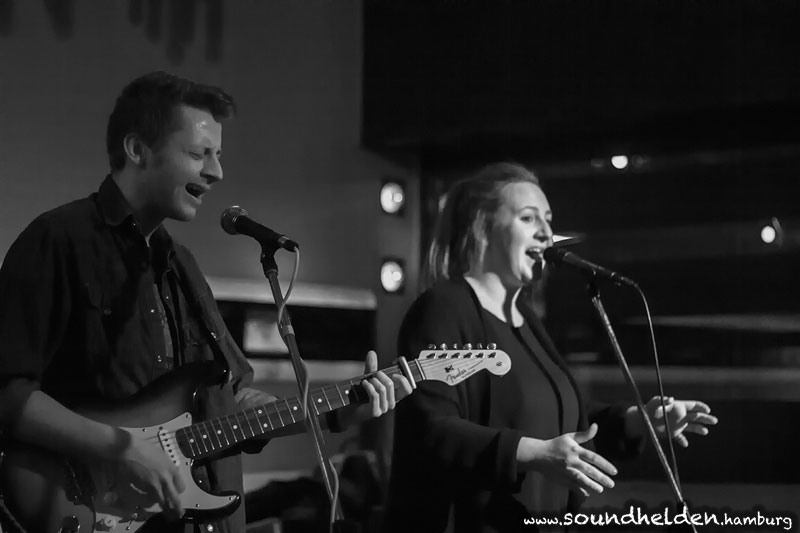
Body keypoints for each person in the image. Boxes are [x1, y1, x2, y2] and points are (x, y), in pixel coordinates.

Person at [0, 71, 412, 533]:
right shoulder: (57, 241)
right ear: (137, 149)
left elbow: (230, 401)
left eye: (218, 156)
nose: (216, 172)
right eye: (199, 154)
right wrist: (122, 448)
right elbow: (7, 391)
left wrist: (339, 409)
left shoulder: (182, 265)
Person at [386, 162, 718, 532]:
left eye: (548, 220)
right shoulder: (444, 308)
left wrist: (639, 421)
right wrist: (535, 453)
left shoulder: (526, 319)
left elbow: (561, 417)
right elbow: (430, 430)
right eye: (529, 218)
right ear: (483, 227)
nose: (547, 233)